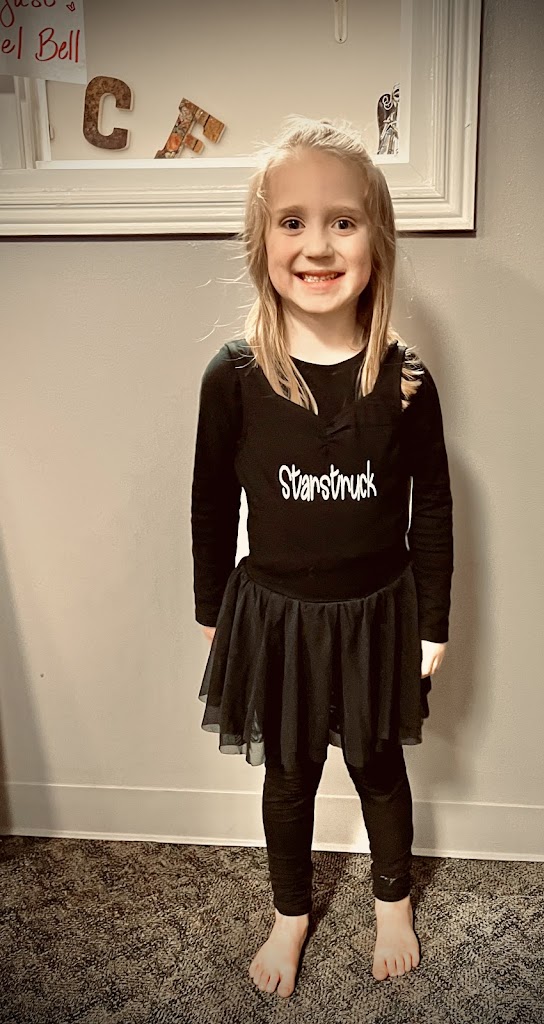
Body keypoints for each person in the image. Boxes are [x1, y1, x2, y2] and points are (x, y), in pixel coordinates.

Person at [191, 116, 453, 999]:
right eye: (292, 221)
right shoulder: (235, 376)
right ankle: (291, 912)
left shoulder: (405, 380)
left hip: (379, 612)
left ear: (377, 240)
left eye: (343, 221)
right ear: (260, 240)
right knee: (290, 774)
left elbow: (433, 507)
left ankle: (392, 899)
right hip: (278, 617)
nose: (317, 244)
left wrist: (432, 624)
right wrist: (210, 612)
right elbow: (209, 502)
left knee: (379, 765)